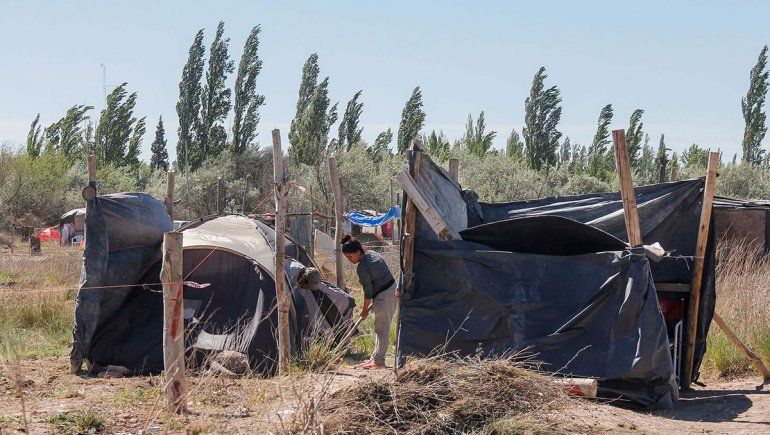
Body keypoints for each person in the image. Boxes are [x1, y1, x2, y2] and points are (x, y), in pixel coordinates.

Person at [341, 234, 396, 369]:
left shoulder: (362, 267)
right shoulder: (372, 253)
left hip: (384, 295)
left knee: (382, 329)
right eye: (347, 258)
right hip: (391, 290)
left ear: (358, 252)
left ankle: (379, 360)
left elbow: (368, 292)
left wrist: (364, 310)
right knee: (379, 327)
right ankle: (375, 358)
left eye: (350, 257)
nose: (349, 260)